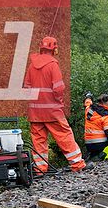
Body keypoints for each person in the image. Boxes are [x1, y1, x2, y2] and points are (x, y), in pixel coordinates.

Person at [23, 37, 86, 175]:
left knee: (38, 141)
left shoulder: (32, 66)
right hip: (52, 110)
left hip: (35, 112)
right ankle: (77, 164)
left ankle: (40, 169)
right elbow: (58, 88)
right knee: (64, 135)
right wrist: (58, 100)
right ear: (54, 49)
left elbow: (26, 87)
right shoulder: (53, 65)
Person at [84, 93, 108, 159]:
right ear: (104, 103)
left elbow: (87, 103)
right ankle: (101, 155)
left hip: (88, 144)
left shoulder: (89, 110)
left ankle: (93, 155)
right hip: (100, 144)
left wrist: (88, 97)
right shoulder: (106, 117)